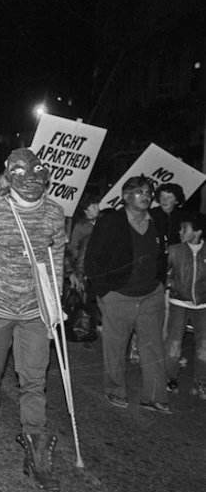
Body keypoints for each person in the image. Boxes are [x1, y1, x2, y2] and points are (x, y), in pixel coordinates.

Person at [0, 148, 65, 490]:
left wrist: (55, 305)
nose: (30, 182)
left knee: (34, 378)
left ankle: (35, 442)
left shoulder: (54, 214)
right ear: (9, 178)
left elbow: (58, 263)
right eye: (21, 176)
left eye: (36, 175)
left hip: (35, 309)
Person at [85, 176, 171, 414]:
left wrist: (160, 284)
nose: (146, 196)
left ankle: (154, 396)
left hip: (151, 295)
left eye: (148, 192)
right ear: (125, 197)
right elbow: (92, 259)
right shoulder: (110, 222)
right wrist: (105, 293)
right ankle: (115, 390)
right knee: (116, 346)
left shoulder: (158, 221)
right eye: (139, 192)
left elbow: (162, 255)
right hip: (118, 295)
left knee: (153, 346)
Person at [164, 213, 206, 400]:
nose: (180, 232)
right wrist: (169, 285)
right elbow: (163, 274)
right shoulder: (174, 250)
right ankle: (170, 378)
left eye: (185, 229)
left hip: (203, 305)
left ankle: (201, 382)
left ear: (197, 232)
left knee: (204, 346)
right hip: (179, 303)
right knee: (174, 343)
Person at [151, 183, 185, 250]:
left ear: (177, 200)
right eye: (161, 196)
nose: (164, 200)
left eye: (169, 197)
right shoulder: (151, 215)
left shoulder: (184, 216)